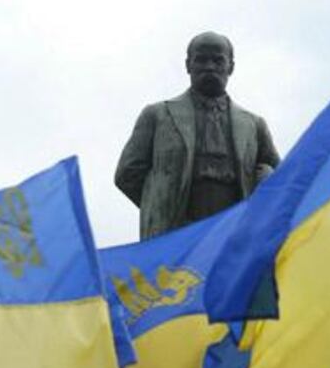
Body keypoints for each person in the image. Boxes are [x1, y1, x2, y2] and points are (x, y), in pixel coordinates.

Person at [115, 31, 280, 240]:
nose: (209, 66)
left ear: (231, 66)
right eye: (201, 59)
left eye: (218, 60)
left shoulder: (254, 125)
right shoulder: (157, 115)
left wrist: (266, 176)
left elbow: (281, 178)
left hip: (233, 237)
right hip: (178, 237)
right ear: (188, 65)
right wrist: (162, 207)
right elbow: (127, 173)